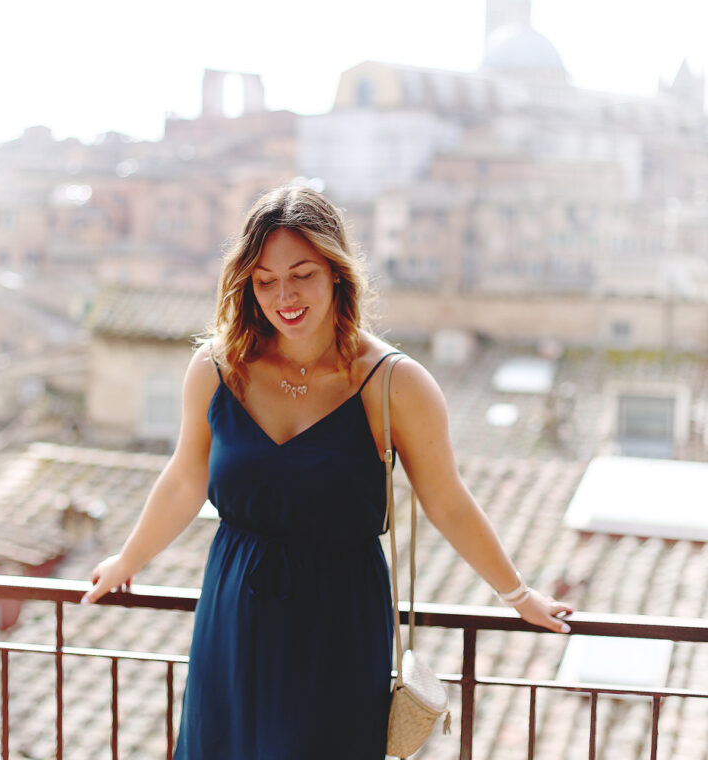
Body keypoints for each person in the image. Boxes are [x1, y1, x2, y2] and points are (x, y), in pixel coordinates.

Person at [82, 185, 573, 759]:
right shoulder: (217, 369)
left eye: (303, 274)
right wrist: (126, 560)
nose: (283, 295)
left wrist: (517, 594)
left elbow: (448, 501)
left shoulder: (395, 384)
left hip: (337, 623)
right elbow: (183, 481)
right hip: (233, 616)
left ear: (337, 272)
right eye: (264, 280)